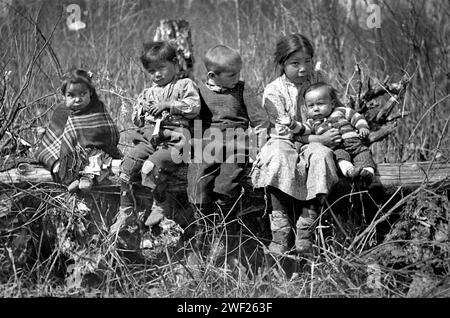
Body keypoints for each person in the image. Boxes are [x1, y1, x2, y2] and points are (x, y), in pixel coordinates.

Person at [251, 34, 342, 260]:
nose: (303, 68)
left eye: (308, 61)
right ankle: (280, 225)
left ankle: (307, 222)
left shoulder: (319, 79)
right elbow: (283, 131)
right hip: (286, 140)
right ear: (282, 63)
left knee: (322, 156)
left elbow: (336, 108)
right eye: (295, 63)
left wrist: (327, 135)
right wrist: (316, 140)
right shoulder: (274, 90)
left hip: (317, 137)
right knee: (277, 156)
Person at [186, 44, 267, 265]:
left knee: (227, 183)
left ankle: (224, 232)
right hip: (209, 142)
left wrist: (259, 147)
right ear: (213, 75)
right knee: (199, 177)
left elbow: (260, 120)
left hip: (236, 141)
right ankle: (201, 232)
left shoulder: (241, 90)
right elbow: (194, 121)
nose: (237, 77)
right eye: (232, 74)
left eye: (239, 72)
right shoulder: (200, 92)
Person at [110, 41, 200, 234]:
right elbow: (137, 121)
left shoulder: (184, 84)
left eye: (161, 68)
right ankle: (125, 209)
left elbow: (194, 107)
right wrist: (141, 110)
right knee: (127, 166)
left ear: (175, 64)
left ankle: (161, 204)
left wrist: (169, 105)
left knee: (150, 167)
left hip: (174, 140)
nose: (156, 74)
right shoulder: (147, 92)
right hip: (149, 138)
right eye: (152, 71)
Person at [35, 69, 122, 192]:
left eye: (82, 94)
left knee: (96, 159)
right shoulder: (61, 111)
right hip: (66, 155)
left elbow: (108, 133)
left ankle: (85, 179)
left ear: (90, 93)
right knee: (56, 162)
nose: (77, 99)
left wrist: (91, 145)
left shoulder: (97, 109)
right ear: (63, 95)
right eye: (71, 95)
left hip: (93, 152)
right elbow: (56, 137)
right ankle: (71, 179)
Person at [302, 82, 376, 186]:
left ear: (332, 103)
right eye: (311, 106)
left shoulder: (341, 111)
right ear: (306, 108)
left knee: (364, 155)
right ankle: (350, 172)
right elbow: (302, 130)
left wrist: (362, 127)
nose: (316, 109)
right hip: (337, 148)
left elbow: (356, 117)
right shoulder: (312, 122)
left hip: (356, 145)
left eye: (320, 104)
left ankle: (368, 174)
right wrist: (292, 125)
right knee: (340, 158)